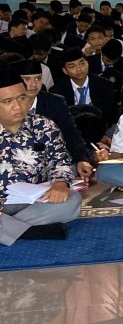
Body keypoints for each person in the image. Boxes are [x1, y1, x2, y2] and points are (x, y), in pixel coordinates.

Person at [0, 66, 81, 243]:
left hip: (34, 202)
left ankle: (9, 230)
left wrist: (60, 184)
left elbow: (61, 161)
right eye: (8, 101)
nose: (18, 106)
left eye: (22, 98)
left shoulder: (43, 125)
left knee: (72, 200)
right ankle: (28, 231)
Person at [51, 47, 118, 126]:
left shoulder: (104, 85)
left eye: (82, 64)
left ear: (87, 63)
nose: (79, 69)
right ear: (65, 71)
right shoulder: (57, 91)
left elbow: (110, 116)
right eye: (72, 66)